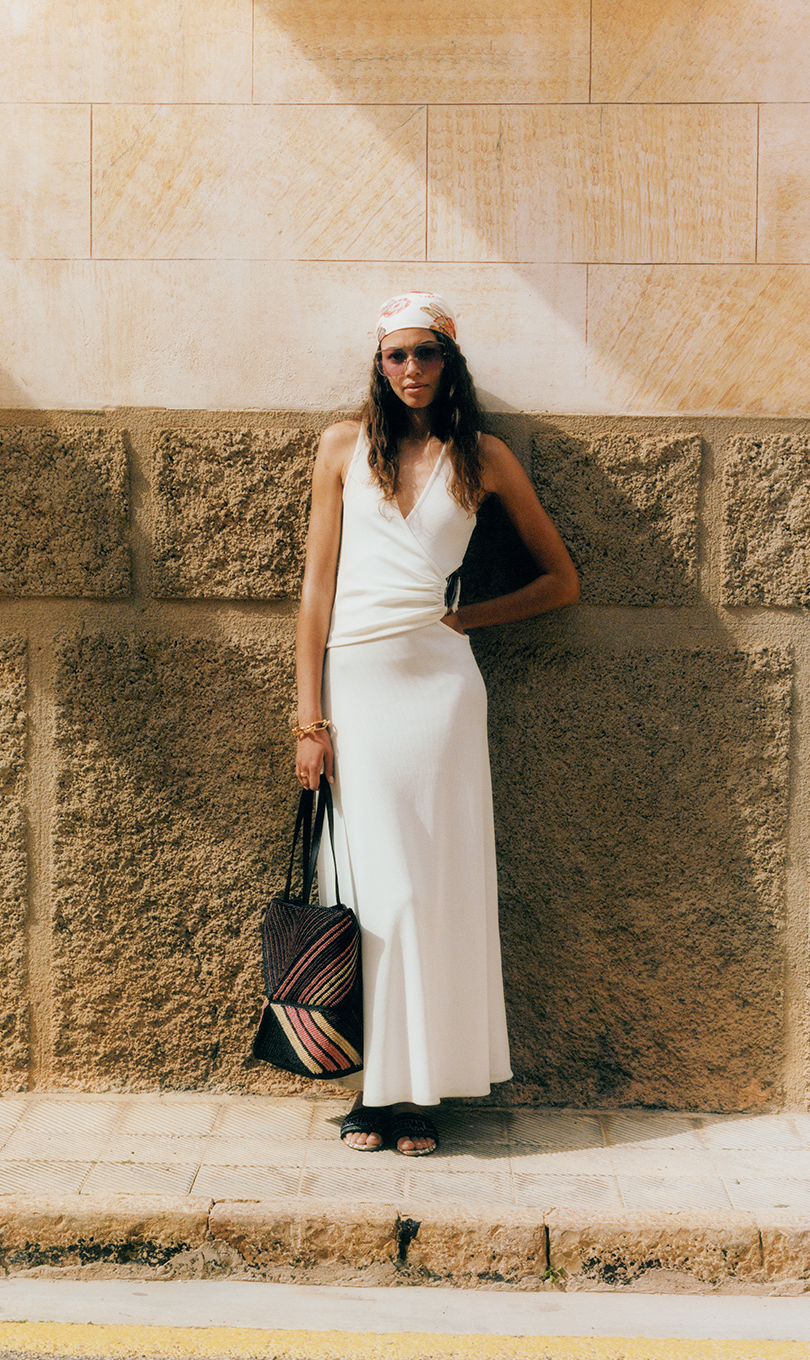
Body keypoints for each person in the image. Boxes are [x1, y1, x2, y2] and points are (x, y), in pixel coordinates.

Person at [295, 293, 579, 1155]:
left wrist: (467, 621)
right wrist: (310, 719)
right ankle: (379, 1087)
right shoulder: (343, 447)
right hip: (361, 691)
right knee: (377, 892)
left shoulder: (483, 457)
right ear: (378, 364)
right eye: (395, 356)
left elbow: (559, 581)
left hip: (442, 695)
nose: (410, 370)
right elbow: (315, 590)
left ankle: (406, 1100)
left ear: (451, 363)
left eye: (426, 355)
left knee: (434, 890)